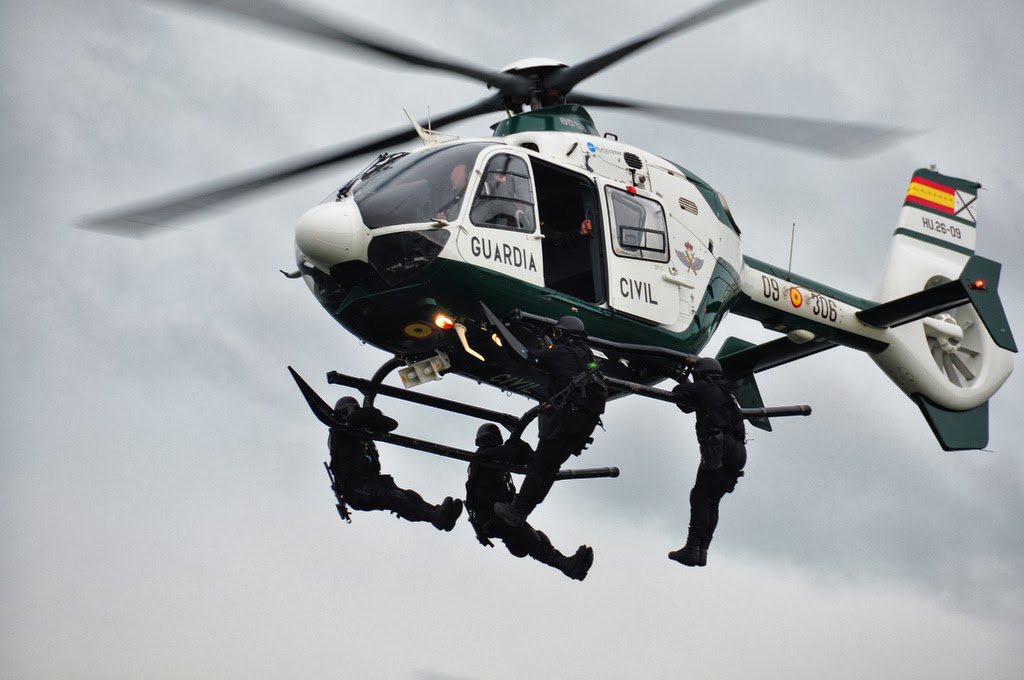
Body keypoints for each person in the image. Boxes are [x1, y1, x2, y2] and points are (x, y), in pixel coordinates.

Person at [493, 316, 606, 527]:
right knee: (549, 468)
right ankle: (523, 511)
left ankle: (517, 510)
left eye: (557, 334)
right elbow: (562, 367)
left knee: (540, 466)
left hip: (565, 420)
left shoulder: (562, 353)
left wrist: (499, 332)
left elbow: (527, 357)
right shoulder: (586, 355)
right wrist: (541, 335)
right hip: (584, 424)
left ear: (564, 335)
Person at [465, 424, 594, 581]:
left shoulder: (497, 463)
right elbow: (510, 453)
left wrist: (521, 446)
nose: (488, 444)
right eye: (487, 441)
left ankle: (569, 566)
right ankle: (568, 566)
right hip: (492, 517)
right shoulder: (482, 458)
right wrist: (517, 445)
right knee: (532, 539)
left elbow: (529, 459)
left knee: (537, 539)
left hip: (501, 516)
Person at [327, 396, 462, 531]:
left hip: (374, 481)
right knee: (396, 498)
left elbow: (390, 424)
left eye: (355, 410)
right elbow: (352, 421)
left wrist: (372, 417)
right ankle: (434, 516)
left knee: (411, 497)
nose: (352, 413)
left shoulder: (360, 431)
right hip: (356, 488)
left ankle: (439, 515)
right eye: (347, 411)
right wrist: (364, 414)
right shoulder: (339, 432)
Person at [667, 357, 747, 567]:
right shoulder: (728, 394)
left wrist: (681, 379)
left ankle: (693, 548)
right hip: (738, 452)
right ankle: (702, 550)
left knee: (700, 497)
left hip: (718, 448)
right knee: (713, 500)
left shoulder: (703, 387)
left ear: (700, 374)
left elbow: (679, 394)